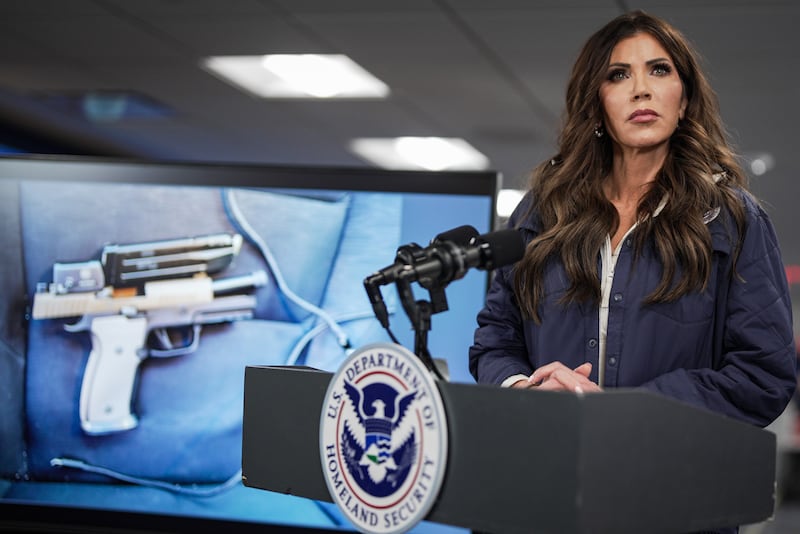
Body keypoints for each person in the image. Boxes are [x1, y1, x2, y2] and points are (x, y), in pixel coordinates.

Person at [469, 10, 796, 429]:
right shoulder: (541, 213)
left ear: (684, 100)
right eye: (618, 75)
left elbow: (762, 375)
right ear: (596, 102)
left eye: (659, 70)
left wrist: (628, 411)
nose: (641, 89)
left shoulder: (732, 220)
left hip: (671, 476)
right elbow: (495, 340)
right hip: (550, 464)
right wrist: (525, 390)